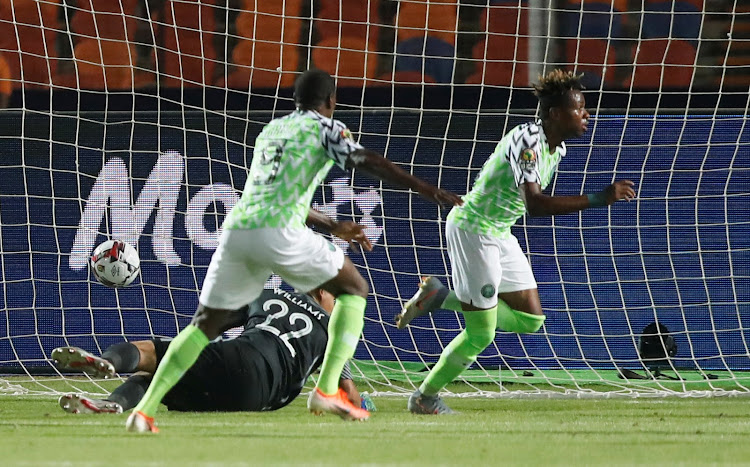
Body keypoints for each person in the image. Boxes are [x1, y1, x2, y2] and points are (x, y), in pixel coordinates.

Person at [125, 69, 463, 432]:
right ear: (331, 101)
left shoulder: (271, 131)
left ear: (295, 101)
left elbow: (277, 193)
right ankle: (327, 388)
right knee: (354, 289)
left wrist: (333, 226)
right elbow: (369, 161)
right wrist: (430, 191)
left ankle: (143, 412)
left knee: (203, 326)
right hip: (278, 230)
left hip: (238, 230)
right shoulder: (326, 128)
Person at [395, 70, 636, 414]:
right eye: (579, 109)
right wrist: (599, 198)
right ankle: (424, 397)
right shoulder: (528, 141)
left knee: (531, 319)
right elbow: (536, 205)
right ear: (554, 113)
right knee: (482, 334)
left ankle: (440, 297)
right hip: (474, 230)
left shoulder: (556, 148)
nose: (586, 115)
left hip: (498, 231)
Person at [52, 287, 369, 419]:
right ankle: (113, 405)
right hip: (255, 401)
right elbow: (350, 398)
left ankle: (107, 363)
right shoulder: (335, 330)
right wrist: (361, 406)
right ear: (321, 293)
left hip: (241, 360)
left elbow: (207, 325)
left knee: (153, 354)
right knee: (160, 378)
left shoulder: (267, 294)